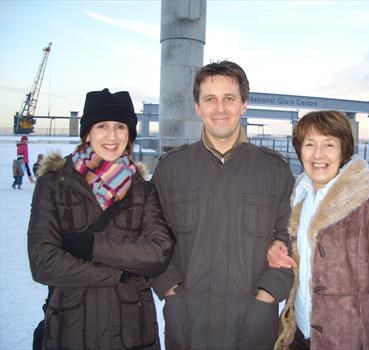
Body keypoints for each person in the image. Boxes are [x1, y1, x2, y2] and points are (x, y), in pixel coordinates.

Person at [150, 60, 295, 350]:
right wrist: (171, 293)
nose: (220, 108)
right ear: (197, 107)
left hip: (253, 327)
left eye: (229, 98)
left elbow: (290, 239)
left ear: (243, 105)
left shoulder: (274, 170)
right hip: (188, 325)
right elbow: (151, 238)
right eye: (210, 99)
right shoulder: (170, 170)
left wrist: (266, 297)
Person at [28, 88, 174, 350]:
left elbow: (158, 253)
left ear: (129, 134)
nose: (112, 136)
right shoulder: (53, 185)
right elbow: (43, 262)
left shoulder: (142, 190)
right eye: (102, 126)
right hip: (70, 329)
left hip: (134, 332)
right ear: (87, 132)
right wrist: (119, 273)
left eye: (120, 126)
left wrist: (90, 246)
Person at [268, 111, 369, 350]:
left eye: (329, 144)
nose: (318, 154)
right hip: (297, 335)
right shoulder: (297, 198)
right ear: (299, 150)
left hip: (350, 341)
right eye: (309, 144)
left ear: (343, 150)